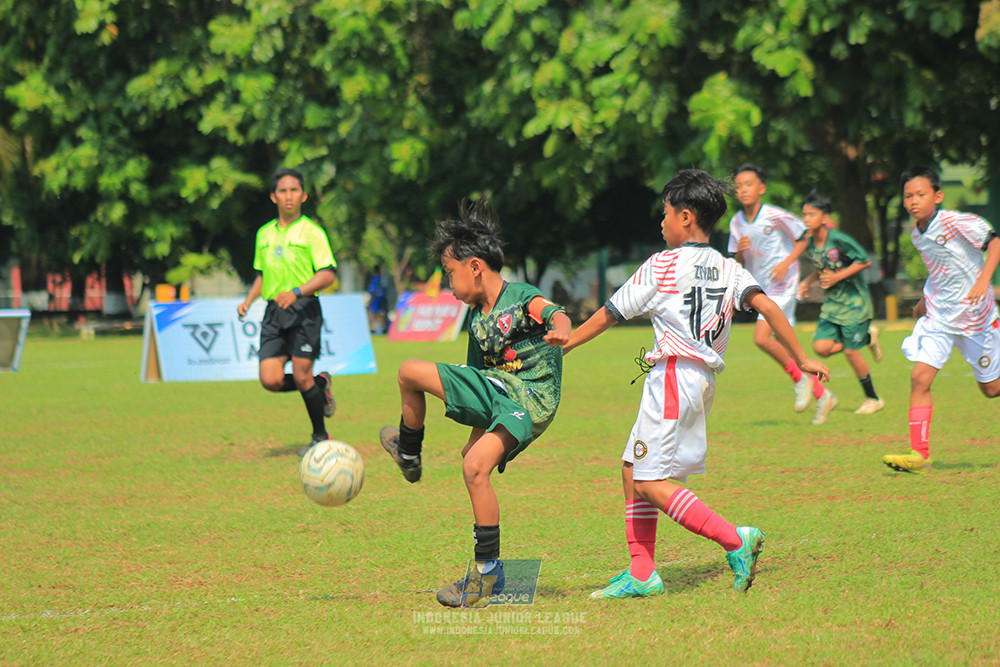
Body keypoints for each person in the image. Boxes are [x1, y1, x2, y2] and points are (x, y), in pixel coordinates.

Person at [565, 170, 830, 599]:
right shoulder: (729, 268)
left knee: (650, 481)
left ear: (686, 217)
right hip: (700, 379)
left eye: (665, 214)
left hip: (672, 378)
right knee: (633, 468)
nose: (662, 222)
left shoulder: (663, 265)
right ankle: (642, 570)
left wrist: (568, 343)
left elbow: (611, 312)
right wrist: (801, 358)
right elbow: (767, 306)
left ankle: (734, 538)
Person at [378, 199, 571, 607]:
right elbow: (480, 384)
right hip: (501, 394)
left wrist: (561, 327)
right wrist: (476, 435)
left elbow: (552, 313)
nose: (448, 285)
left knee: (415, 376)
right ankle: (410, 456)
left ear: (475, 267)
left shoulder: (520, 296)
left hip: (531, 398)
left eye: (450, 273)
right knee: (468, 458)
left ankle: (485, 576)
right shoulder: (478, 320)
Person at [883, 167, 1000, 474]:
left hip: (977, 319)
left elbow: (995, 243)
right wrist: (925, 299)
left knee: (991, 390)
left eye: (920, 194)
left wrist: (982, 282)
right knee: (920, 378)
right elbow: (940, 270)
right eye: (908, 196)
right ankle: (919, 454)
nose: (913, 201)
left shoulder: (954, 221)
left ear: (937, 196)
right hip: (941, 319)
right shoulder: (917, 235)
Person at [237, 168, 337, 455]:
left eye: (294, 190)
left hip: (304, 309)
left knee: (301, 375)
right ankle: (321, 384)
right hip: (273, 312)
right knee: (270, 379)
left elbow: (327, 274)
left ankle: (320, 436)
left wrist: (297, 291)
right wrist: (248, 300)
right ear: (273, 196)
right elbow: (261, 275)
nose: (289, 196)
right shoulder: (264, 234)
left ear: (303, 196)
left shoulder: (313, 233)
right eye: (283, 191)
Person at [728, 163, 823, 412]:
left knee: (761, 337)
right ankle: (823, 395)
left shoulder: (774, 214)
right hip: (761, 289)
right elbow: (734, 260)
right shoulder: (736, 222)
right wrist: (740, 252)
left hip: (784, 283)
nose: (743, 190)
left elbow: (802, 238)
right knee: (786, 344)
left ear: (762, 188)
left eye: (748, 185)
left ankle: (800, 380)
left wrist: (786, 263)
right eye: (738, 186)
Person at [796, 191, 884, 424]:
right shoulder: (811, 243)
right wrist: (807, 281)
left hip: (855, 304)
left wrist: (837, 277)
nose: (806, 219)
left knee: (850, 351)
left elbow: (864, 260)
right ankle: (866, 339)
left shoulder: (840, 240)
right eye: (804, 214)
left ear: (825, 217)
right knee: (821, 347)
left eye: (811, 214)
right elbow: (822, 267)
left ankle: (873, 398)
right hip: (833, 306)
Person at [366, 266, 389, 335]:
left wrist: (371, 300)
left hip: (376, 299)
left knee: (374, 315)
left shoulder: (375, 279)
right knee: (382, 314)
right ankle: (382, 329)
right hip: (382, 298)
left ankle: (377, 330)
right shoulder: (382, 279)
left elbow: (373, 290)